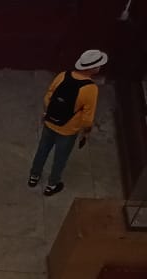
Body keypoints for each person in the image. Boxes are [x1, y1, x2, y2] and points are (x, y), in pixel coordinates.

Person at [29, 49, 108, 196]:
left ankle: (34, 176)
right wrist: (86, 132)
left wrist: (49, 113)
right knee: (60, 158)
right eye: (99, 65)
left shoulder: (63, 75)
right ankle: (52, 185)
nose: (100, 67)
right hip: (68, 130)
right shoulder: (90, 89)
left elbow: (48, 96)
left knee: (42, 150)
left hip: (50, 123)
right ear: (92, 68)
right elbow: (87, 118)